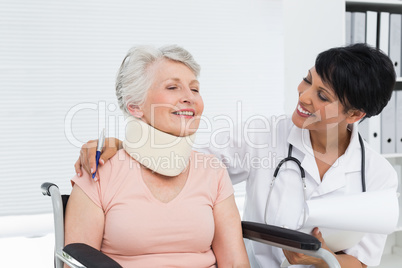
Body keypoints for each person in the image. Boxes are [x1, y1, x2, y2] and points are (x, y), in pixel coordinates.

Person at [75, 43, 398, 268]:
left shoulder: (379, 175)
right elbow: (181, 159)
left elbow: (360, 261)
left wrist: (321, 259)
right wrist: (122, 143)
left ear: (354, 115)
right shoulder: (262, 136)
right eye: (307, 80)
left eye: (322, 95)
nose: (304, 96)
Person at [65, 44, 250, 268]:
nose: (189, 97)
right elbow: (75, 265)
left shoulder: (212, 171)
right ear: (134, 106)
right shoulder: (98, 171)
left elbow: (235, 264)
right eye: (173, 87)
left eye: (195, 89)